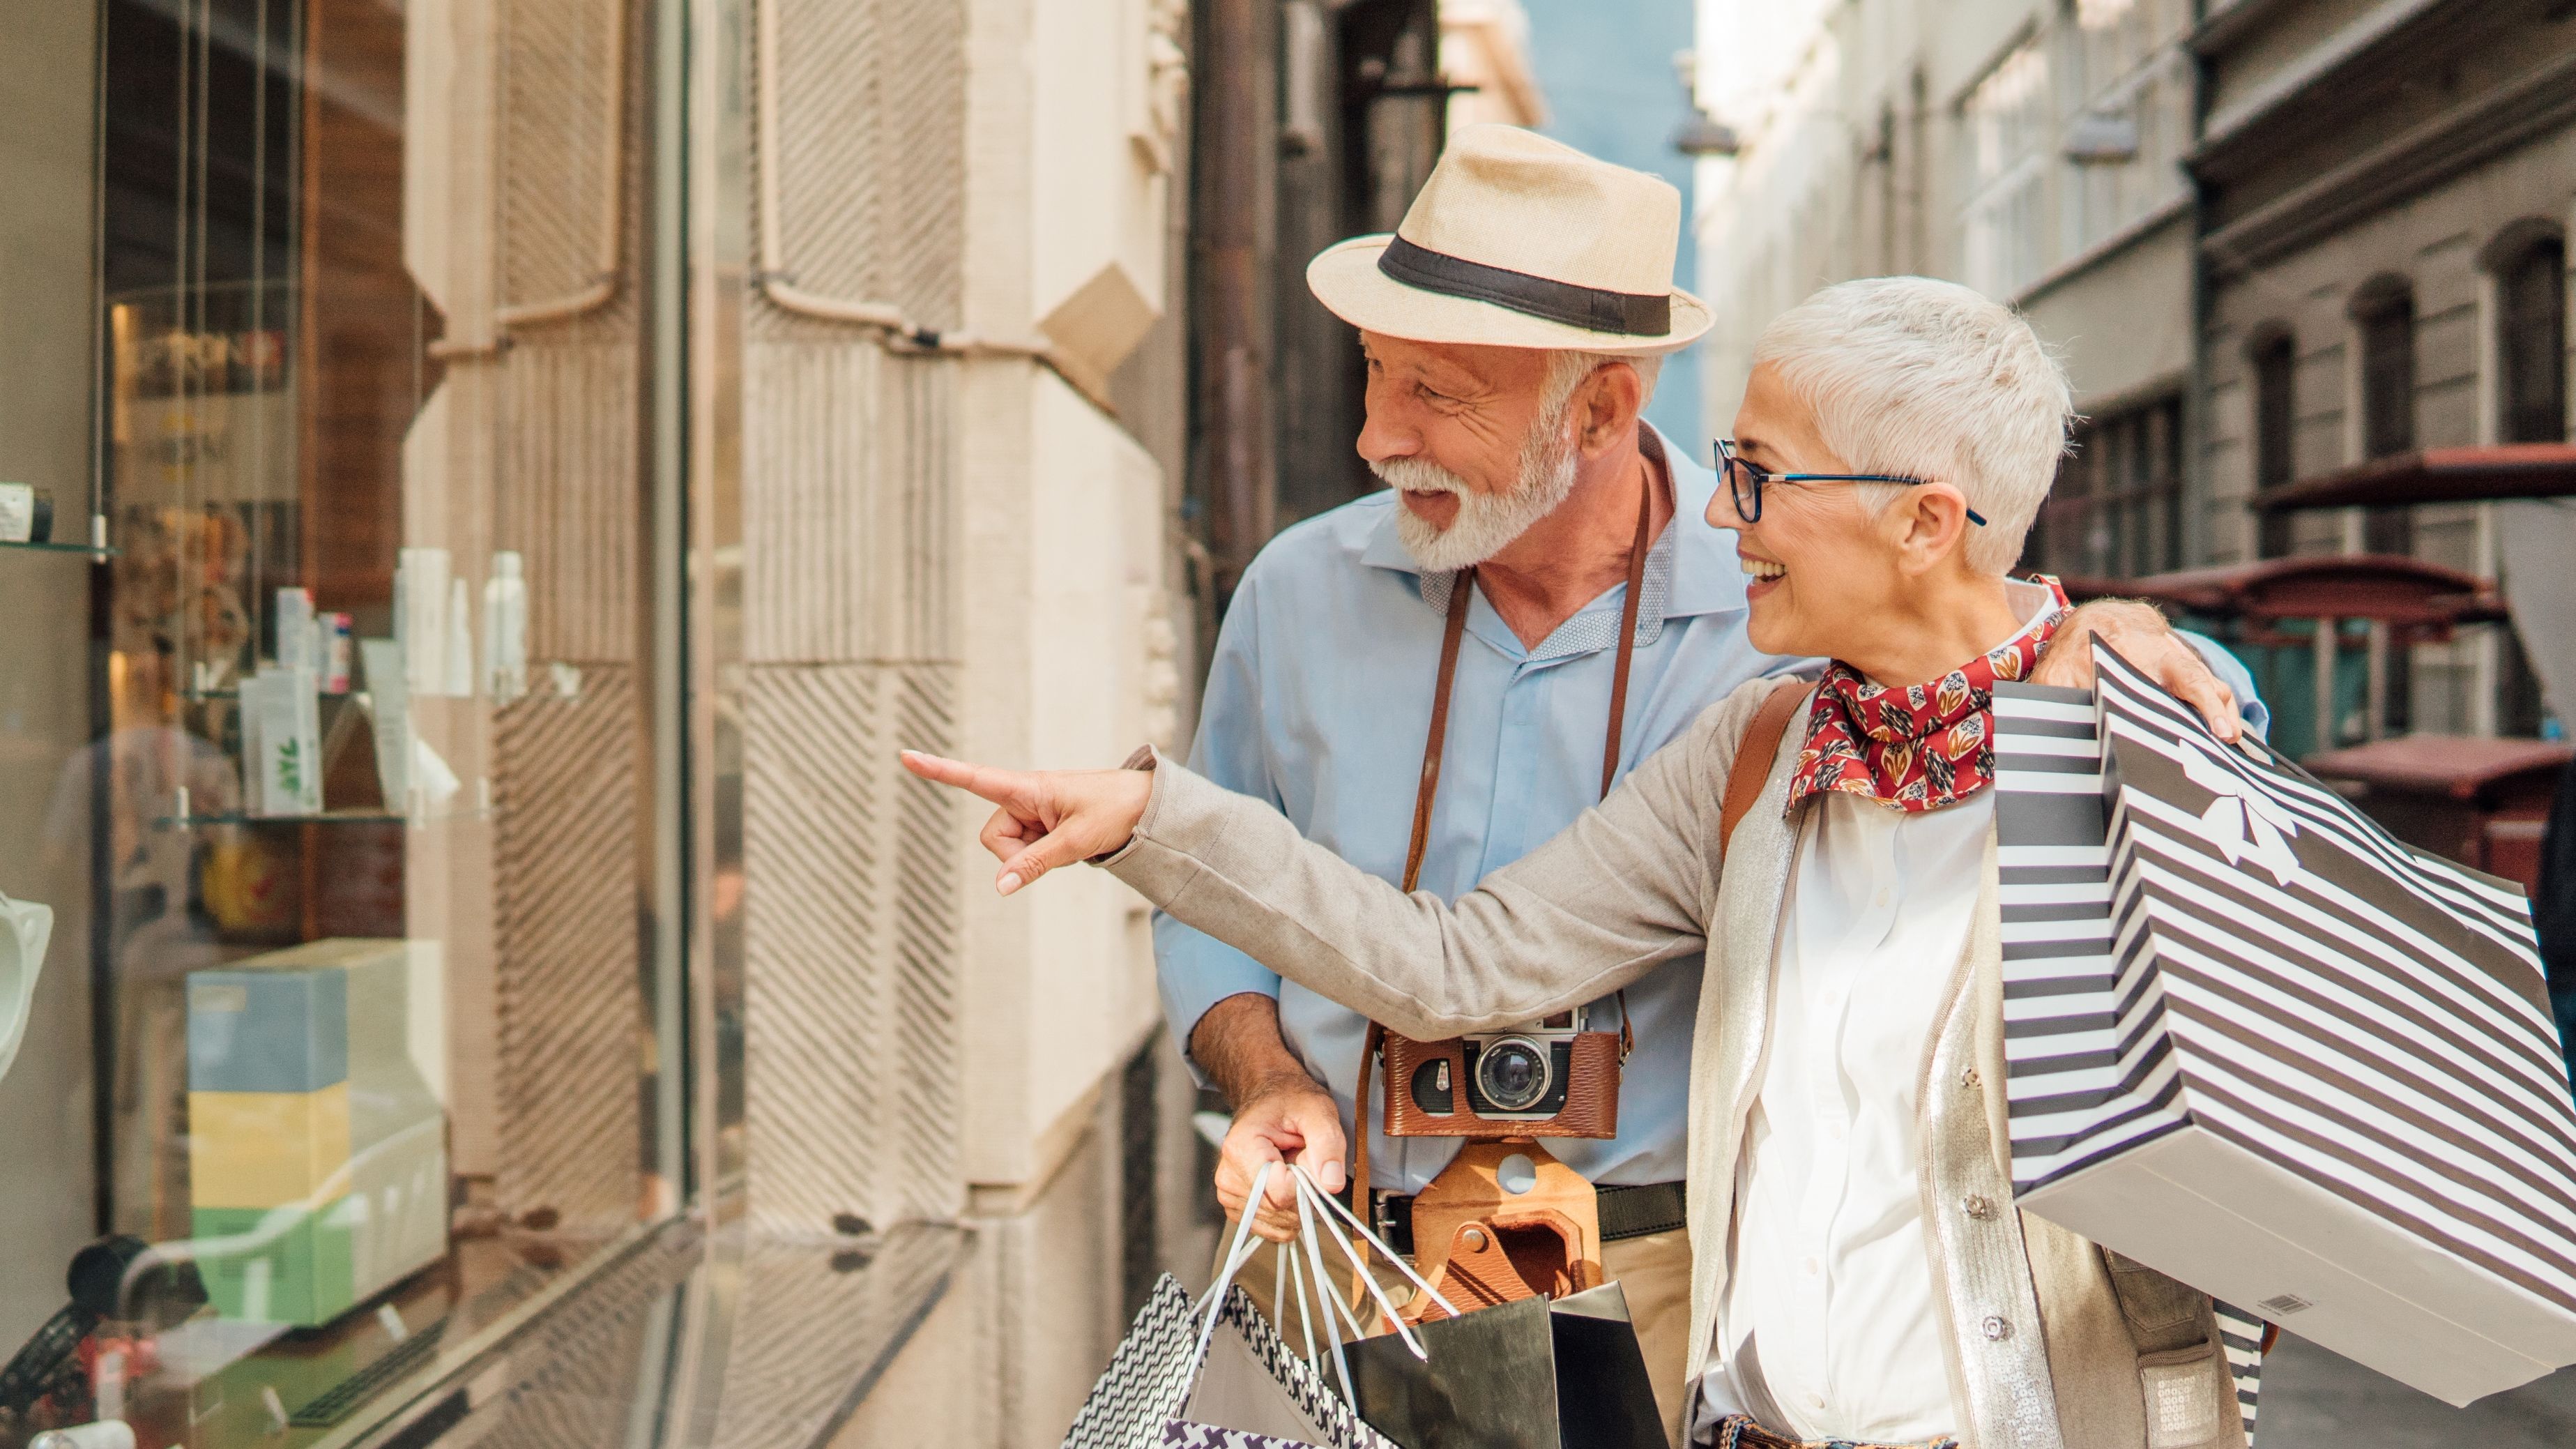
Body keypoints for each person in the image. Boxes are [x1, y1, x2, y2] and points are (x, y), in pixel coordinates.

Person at [910, 277, 2267, 1449]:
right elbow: (1455, 961)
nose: (1723, 518)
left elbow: (2266, 1138)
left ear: (1924, 522)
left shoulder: (2152, 736)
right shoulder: (1761, 749)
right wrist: (1153, 822)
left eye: (1757, 477)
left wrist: (2135, 675)